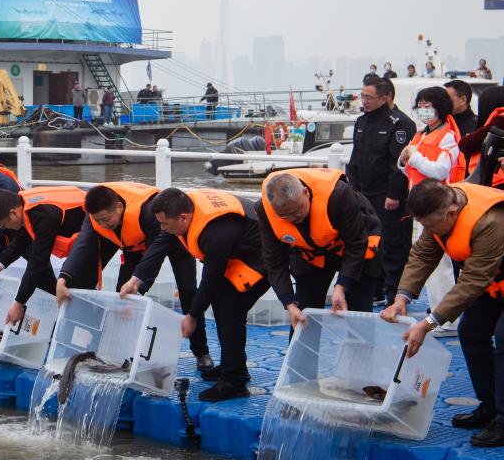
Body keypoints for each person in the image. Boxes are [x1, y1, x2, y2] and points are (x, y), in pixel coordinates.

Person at [381, 180, 504, 447]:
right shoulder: (436, 210)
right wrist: (402, 296)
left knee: (503, 338)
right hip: (493, 283)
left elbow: (472, 281)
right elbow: (423, 254)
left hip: (485, 277)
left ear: (452, 212)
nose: (429, 231)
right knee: (470, 333)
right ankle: (491, 405)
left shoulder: (490, 221)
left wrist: (428, 323)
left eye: (432, 226)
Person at [119, 188, 270, 401]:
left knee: (230, 309)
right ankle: (232, 366)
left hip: (261, 258)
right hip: (236, 255)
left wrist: (191, 316)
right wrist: (136, 279)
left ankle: (234, 381)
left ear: (183, 217)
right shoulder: (182, 214)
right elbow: (159, 245)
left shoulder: (215, 232)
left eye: (165, 224)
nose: (162, 229)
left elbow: (211, 280)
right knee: (220, 303)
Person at [57, 181, 214, 374]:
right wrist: (63, 277)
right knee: (121, 298)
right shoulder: (95, 215)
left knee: (188, 292)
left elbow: (154, 256)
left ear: (119, 207)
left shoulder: (149, 213)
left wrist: (138, 287)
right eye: (98, 221)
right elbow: (83, 245)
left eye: (106, 219)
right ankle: (123, 354)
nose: (103, 225)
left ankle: (201, 352)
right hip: (134, 245)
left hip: (173, 240)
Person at [257, 169, 383, 328]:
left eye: (298, 210)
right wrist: (289, 303)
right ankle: (302, 352)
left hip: (357, 244)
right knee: (303, 314)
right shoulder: (265, 210)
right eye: (285, 216)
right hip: (311, 253)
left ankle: (359, 351)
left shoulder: (339, 195)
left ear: (305, 193)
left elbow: (357, 244)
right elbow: (273, 261)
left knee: (358, 316)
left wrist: (341, 286)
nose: (294, 218)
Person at [347, 78, 415, 303]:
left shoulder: (400, 123)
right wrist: (352, 192)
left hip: (389, 195)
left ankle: (394, 291)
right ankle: (374, 288)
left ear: (385, 98)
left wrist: (394, 194)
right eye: (362, 96)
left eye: (369, 97)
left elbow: (398, 162)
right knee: (369, 241)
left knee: (393, 242)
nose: (364, 101)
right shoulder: (361, 122)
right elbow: (355, 159)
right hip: (365, 194)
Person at [0, 186, 87, 325]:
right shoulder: (24, 206)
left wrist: (18, 303)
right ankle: (75, 322)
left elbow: (38, 262)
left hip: (97, 231)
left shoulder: (44, 216)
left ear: (13, 213)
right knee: (66, 284)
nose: (4, 228)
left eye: (2, 225)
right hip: (80, 234)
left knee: (76, 285)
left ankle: (85, 329)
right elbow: (22, 238)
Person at [400, 86, 464, 187]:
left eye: (426, 106)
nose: (422, 110)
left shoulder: (448, 137)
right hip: (417, 195)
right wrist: (403, 162)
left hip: (436, 197)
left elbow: (440, 172)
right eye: (419, 106)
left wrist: (413, 156)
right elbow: (413, 172)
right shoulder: (420, 134)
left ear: (440, 108)